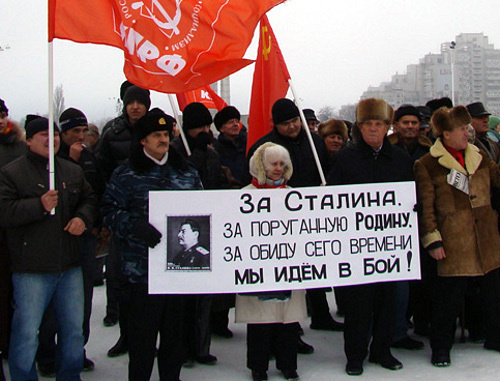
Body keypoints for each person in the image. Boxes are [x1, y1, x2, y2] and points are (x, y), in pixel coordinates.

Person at [101, 108, 202, 381]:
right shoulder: (126, 173)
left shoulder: (186, 171)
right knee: (142, 345)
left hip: (178, 272)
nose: (163, 139)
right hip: (141, 274)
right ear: (142, 140)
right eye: (156, 135)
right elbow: (109, 211)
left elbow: (203, 211)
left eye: (166, 134)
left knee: (174, 343)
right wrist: (133, 226)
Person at [0, 117, 97, 380]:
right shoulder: (11, 173)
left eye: (54, 134)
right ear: (28, 140)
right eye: (42, 134)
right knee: (27, 332)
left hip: (69, 266)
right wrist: (38, 205)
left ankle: (69, 374)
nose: (50, 139)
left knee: (73, 330)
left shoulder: (71, 170)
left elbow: (89, 199)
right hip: (31, 269)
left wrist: (83, 218)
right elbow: (5, 212)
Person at [327, 98, 413, 376]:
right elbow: (331, 203)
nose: (374, 129)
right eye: (368, 124)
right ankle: (355, 354)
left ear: (388, 127)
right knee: (358, 305)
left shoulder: (400, 160)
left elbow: (410, 201)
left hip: (390, 247)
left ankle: (382, 350)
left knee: (389, 301)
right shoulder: (344, 160)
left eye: (379, 124)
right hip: (356, 247)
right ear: (360, 127)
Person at [414, 105, 500, 367]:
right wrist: (432, 238)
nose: (468, 132)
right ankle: (441, 348)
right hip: (454, 242)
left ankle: (495, 338)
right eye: (463, 129)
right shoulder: (427, 164)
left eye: (467, 128)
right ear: (446, 134)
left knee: (494, 295)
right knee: (447, 303)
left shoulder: (480, 156)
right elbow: (426, 207)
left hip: (486, 238)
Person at [245, 98, 333, 354]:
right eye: (286, 123)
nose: (293, 127)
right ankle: (280, 337)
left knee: (312, 271)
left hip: (311, 219)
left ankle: (319, 316)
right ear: (276, 124)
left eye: (295, 121)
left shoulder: (315, 142)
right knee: (283, 284)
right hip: (277, 227)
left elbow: (327, 170)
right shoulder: (265, 148)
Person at [35, 108, 105, 375]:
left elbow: (94, 191)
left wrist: (94, 223)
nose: (80, 136)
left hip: (82, 236)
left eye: (83, 131)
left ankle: (76, 350)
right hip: (51, 240)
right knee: (51, 302)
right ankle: (47, 353)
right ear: (61, 134)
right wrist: (69, 160)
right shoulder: (49, 160)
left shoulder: (88, 155)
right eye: (74, 131)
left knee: (81, 298)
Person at [236, 142, 304, 381]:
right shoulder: (245, 196)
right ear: (261, 166)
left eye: (281, 164)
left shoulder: (294, 195)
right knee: (260, 322)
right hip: (258, 270)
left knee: (287, 321)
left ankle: (288, 364)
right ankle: (258, 366)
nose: (278, 168)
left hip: (288, 268)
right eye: (273, 164)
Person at [96, 83, 151, 357]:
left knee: (150, 288)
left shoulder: (157, 129)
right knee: (121, 282)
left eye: (140, 102)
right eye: (131, 102)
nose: (135, 107)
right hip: (122, 218)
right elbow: (99, 172)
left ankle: (150, 340)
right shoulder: (112, 133)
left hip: (153, 222)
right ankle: (126, 338)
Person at [171, 102, 226, 365]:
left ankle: (201, 347)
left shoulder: (212, 153)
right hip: (180, 232)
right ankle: (179, 347)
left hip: (207, 229)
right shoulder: (174, 152)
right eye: (199, 127)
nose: (205, 131)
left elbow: (216, 185)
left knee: (204, 294)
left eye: (208, 125)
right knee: (181, 298)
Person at [387, 104, 431, 350]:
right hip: (396, 224)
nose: (411, 127)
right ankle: (397, 329)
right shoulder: (387, 149)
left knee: (423, 278)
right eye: (406, 122)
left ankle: (422, 322)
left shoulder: (430, 150)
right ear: (396, 125)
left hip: (424, 221)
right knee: (399, 282)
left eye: (414, 123)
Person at [0, 99, 26, 380]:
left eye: (2, 114)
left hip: (16, 226)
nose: (0, 120)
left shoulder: (19, 147)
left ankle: (10, 343)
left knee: (15, 288)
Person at [213, 105, 247, 186]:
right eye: (231, 122)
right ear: (221, 128)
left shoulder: (246, 144)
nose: (235, 124)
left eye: (237, 121)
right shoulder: (216, 149)